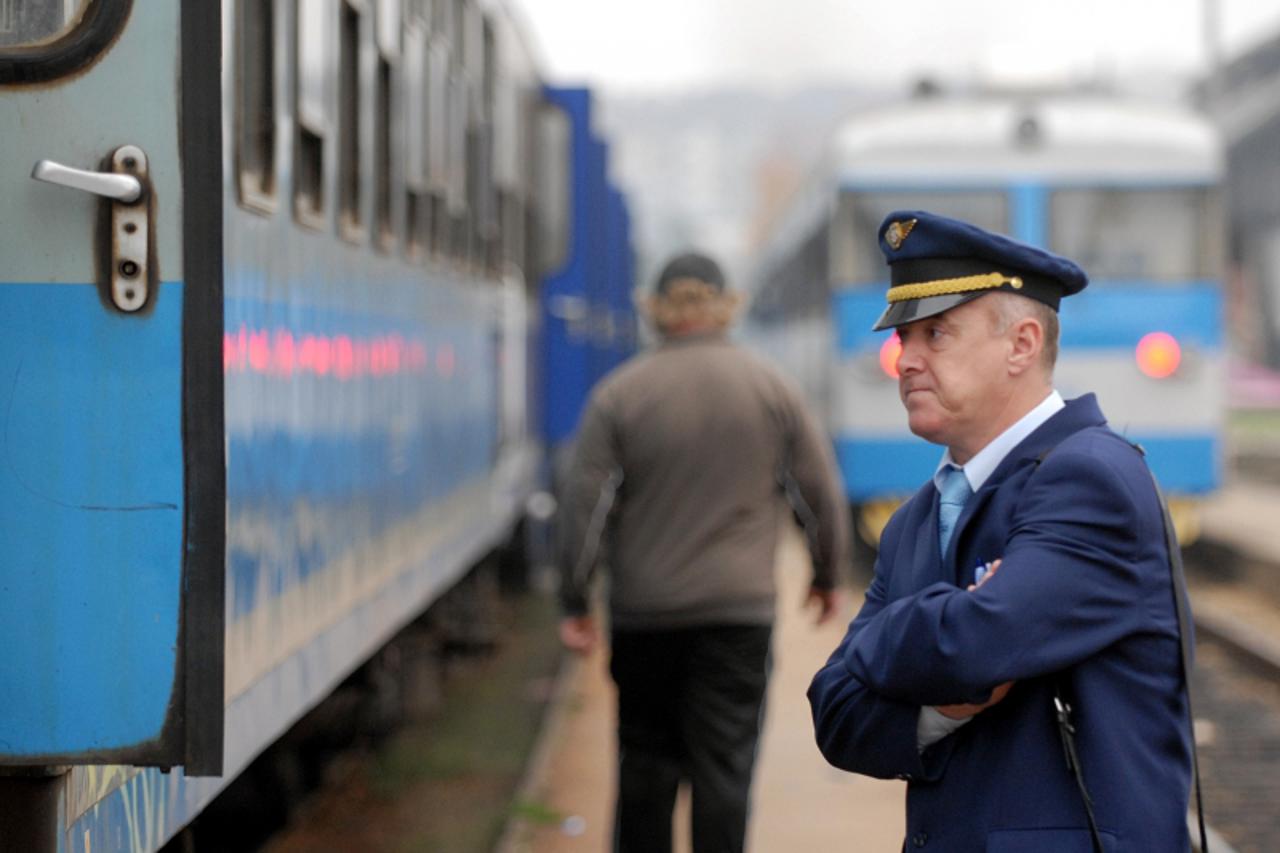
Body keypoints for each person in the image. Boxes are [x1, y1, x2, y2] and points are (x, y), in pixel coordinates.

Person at [807, 211, 1197, 851]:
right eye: (906, 339)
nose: (908, 360)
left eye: (937, 333)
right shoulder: (915, 520)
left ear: (1021, 344)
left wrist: (881, 639)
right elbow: (835, 714)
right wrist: (941, 706)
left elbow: (977, 645)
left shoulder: (1093, 478)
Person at [558, 251, 850, 853]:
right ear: (727, 307)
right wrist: (826, 575)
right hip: (737, 616)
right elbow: (817, 490)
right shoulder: (771, 387)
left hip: (646, 615)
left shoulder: (619, 395)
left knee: (645, 769)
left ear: (656, 311)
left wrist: (575, 598)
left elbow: (583, 506)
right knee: (726, 770)